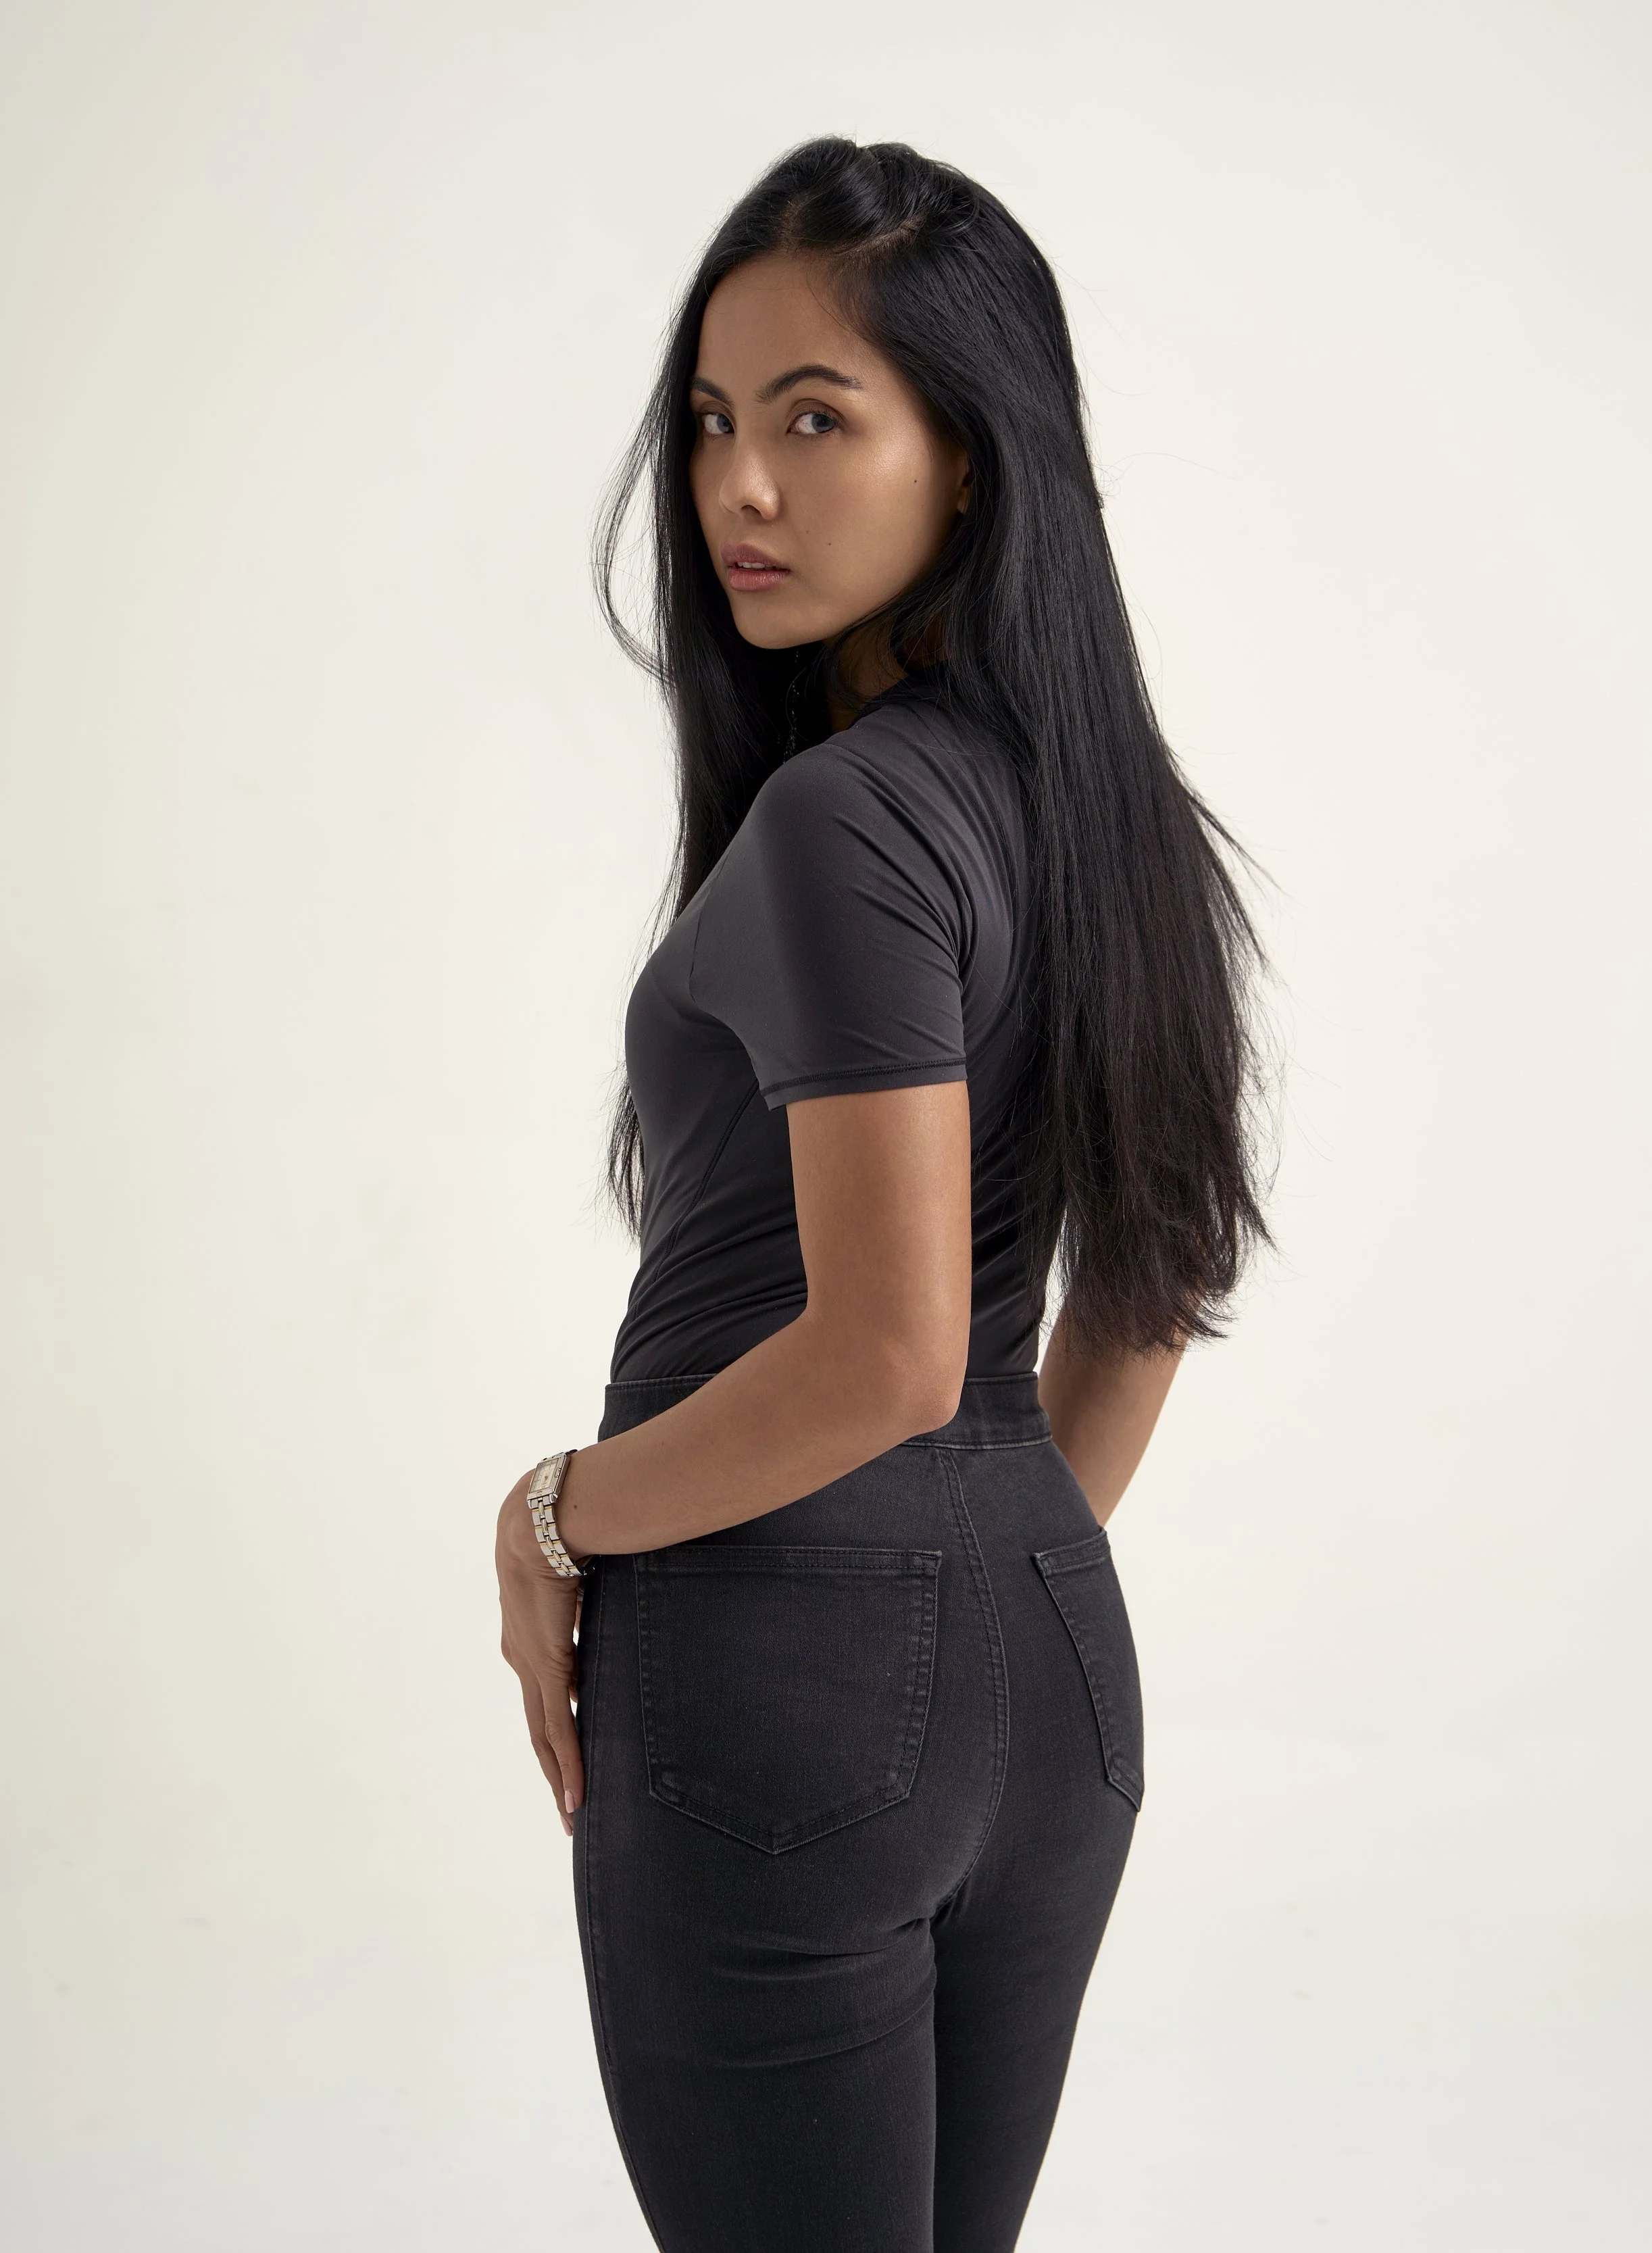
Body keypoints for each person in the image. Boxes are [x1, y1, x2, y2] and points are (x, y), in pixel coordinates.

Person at [493, 136, 1270, 2253]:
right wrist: (957, 1592)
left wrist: (553, 1510)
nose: (736, 487)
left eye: (817, 420)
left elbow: (888, 1351)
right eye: (709, 422)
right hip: (1049, 1673)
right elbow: (1145, 1295)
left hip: (776, 1671)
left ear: (975, 457)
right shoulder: (1115, 817)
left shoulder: (848, 822)